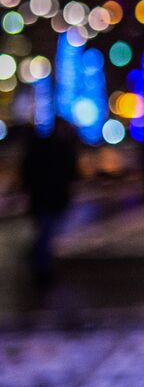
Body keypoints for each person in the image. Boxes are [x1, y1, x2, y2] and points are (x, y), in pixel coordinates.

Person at [19, 119, 80, 288]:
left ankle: (37, 259)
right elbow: (70, 173)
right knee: (46, 233)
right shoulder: (55, 149)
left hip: (47, 198)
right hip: (49, 198)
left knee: (46, 232)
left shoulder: (48, 147)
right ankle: (41, 268)